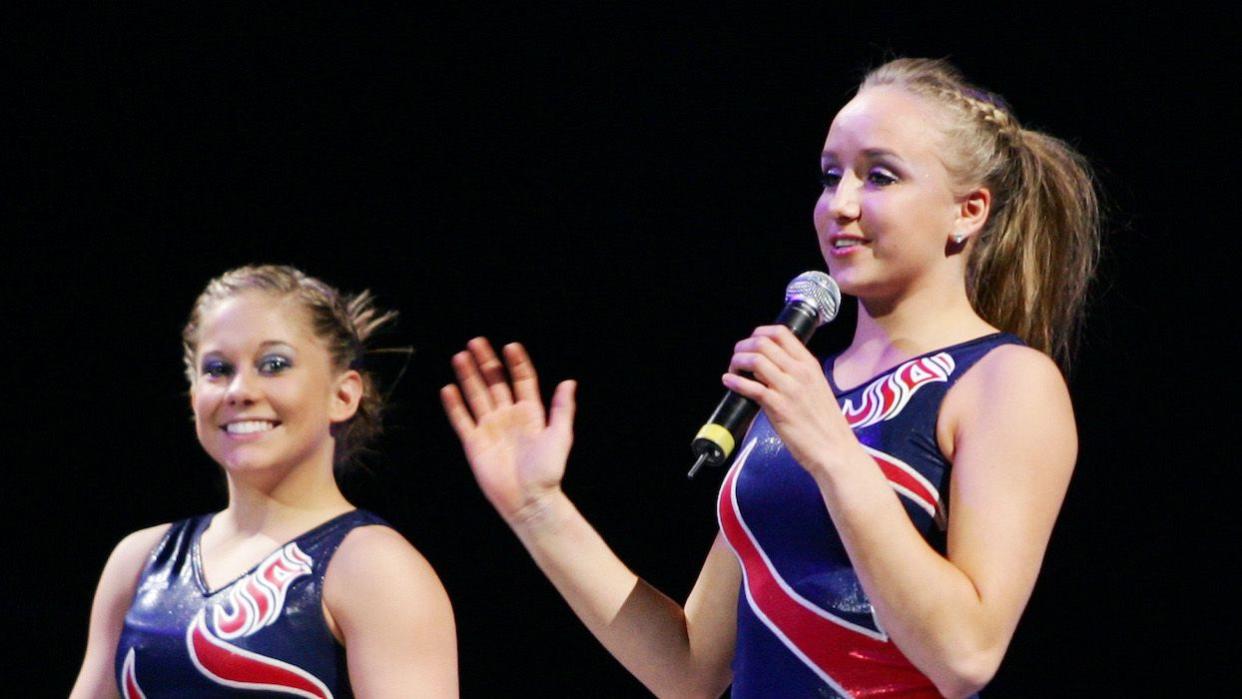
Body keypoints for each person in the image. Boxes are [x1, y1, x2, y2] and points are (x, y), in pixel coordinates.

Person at [441, 57, 1099, 698]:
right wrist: (539, 508)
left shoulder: (1007, 381)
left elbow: (965, 656)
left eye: (880, 177)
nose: (839, 203)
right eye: (829, 174)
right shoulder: (800, 389)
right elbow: (689, 669)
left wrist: (834, 449)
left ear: (969, 211)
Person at [72, 265, 458, 698]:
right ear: (195, 395)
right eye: (217, 369)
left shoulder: (374, 569)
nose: (239, 390)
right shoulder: (141, 562)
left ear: (343, 395)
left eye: (274, 364)